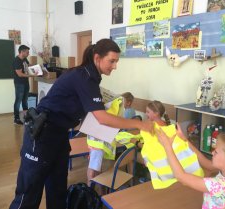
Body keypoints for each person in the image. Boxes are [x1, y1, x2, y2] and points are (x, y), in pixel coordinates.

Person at [9, 38, 153, 209]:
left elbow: (88, 113)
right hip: (41, 134)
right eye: (112, 61)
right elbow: (102, 117)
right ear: (97, 58)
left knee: (57, 190)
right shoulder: (83, 76)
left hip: (59, 135)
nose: (115, 66)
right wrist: (140, 125)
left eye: (117, 61)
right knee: (29, 194)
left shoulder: (92, 77)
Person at [157, 123, 225, 209]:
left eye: (216, 152)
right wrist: (185, 140)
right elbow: (208, 165)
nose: (212, 152)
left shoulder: (218, 185)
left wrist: (167, 146)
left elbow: (181, 176)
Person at [13, 45, 37, 125]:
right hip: (19, 84)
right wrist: (32, 75)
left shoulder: (24, 59)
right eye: (27, 52)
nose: (28, 53)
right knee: (18, 101)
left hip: (25, 83)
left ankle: (26, 118)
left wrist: (37, 66)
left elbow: (28, 65)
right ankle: (16, 119)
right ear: (22, 52)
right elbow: (20, 74)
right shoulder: (17, 61)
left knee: (25, 101)